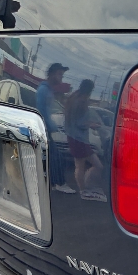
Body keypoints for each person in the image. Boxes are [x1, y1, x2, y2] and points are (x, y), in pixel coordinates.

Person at [62, 79, 106, 200]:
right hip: (79, 139)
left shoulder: (73, 97)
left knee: (81, 165)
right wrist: (91, 124)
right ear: (89, 89)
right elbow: (79, 122)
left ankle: (83, 187)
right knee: (92, 166)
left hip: (74, 137)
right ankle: (83, 188)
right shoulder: (82, 101)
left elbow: (71, 119)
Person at [35, 63, 76, 194]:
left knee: (53, 158)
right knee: (58, 158)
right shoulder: (44, 91)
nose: (61, 78)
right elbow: (42, 112)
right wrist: (52, 126)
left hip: (45, 129)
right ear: (52, 74)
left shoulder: (48, 90)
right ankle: (60, 183)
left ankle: (54, 183)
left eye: (62, 75)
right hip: (44, 130)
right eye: (59, 74)